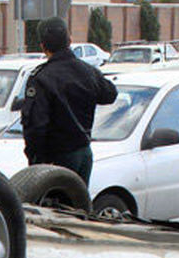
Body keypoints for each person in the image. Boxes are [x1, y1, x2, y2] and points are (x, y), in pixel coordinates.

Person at [20, 17, 117, 184]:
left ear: (43, 46)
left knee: (54, 208)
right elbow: (110, 94)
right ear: (70, 40)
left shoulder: (41, 78)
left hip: (56, 158)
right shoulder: (87, 71)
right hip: (83, 152)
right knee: (79, 206)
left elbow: (36, 126)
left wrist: (35, 160)